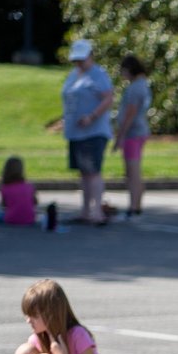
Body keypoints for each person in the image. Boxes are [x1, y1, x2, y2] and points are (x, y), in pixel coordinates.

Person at [61, 39, 114, 224]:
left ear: (90, 56)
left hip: (93, 132)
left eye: (82, 59)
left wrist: (91, 116)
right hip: (75, 132)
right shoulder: (73, 75)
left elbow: (108, 99)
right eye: (76, 60)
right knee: (83, 172)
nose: (79, 63)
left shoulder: (98, 74)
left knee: (93, 171)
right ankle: (84, 211)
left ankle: (97, 211)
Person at [113, 55, 151, 218]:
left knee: (132, 172)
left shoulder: (135, 88)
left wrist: (120, 136)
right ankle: (137, 204)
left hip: (132, 134)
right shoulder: (143, 85)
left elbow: (130, 113)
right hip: (139, 131)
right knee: (135, 171)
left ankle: (133, 206)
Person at [0, 156, 38, 226]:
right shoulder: (29, 186)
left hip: (11, 219)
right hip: (30, 219)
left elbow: (4, 204)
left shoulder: (5, 187)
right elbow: (35, 202)